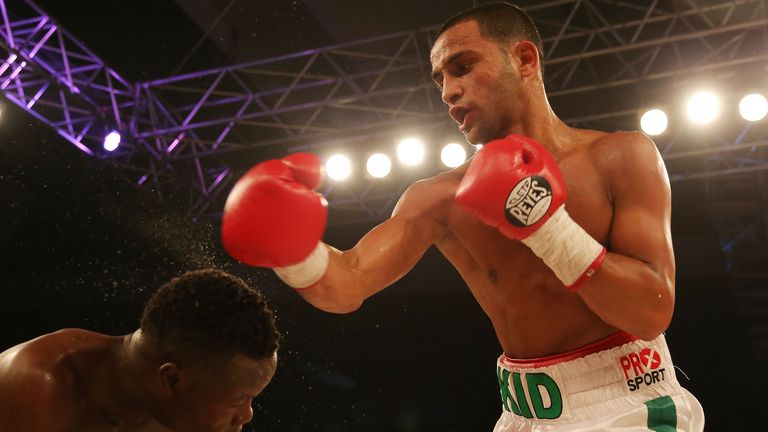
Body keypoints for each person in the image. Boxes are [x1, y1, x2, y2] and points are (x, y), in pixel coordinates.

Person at [221, 2, 704, 430]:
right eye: (441, 79)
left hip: (627, 403)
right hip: (523, 415)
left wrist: (546, 226)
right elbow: (347, 283)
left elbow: (651, 311)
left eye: (463, 66)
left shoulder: (621, 157)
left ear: (524, 59)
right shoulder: (438, 197)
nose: (449, 91)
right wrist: (293, 250)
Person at [0, 269, 280, 432]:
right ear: (171, 380)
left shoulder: (170, 414)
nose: (246, 415)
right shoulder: (32, 392)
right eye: (239, 399)